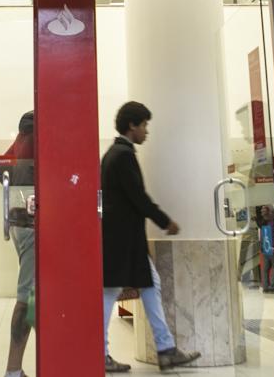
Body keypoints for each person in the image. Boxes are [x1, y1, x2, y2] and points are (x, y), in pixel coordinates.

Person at [101, 101, 201, 373]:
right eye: (144, 125)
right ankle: (105, 352)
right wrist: (165, 221)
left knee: (143, 285)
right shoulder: (123, 155)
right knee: (111, 291)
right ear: (132, 125)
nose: (146, 131)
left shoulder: (113, 154)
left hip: (119, 239)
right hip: (123, 240)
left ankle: (165, 349)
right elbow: (138, 197)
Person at [0, 111, 36, 377]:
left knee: (34, 295)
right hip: (32, 225)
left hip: (18, 224)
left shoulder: (20, 142)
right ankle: (13, 370)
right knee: (27, 297)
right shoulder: (38, 138)